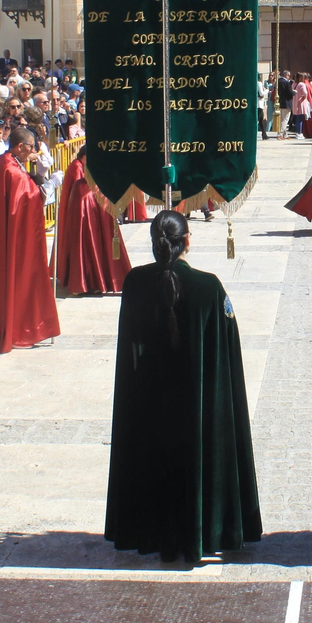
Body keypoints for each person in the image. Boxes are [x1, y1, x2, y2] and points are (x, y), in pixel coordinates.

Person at [105, 210, 261, 562]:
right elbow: (227, 357)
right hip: (198, 408)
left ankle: (152, 531)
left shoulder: (134, 283)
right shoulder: (209, 287)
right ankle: (203, 530)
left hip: (150, 407)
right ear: (187, 239)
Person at [0, 127, 60, 352]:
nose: (33, 151)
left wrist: (38, 175)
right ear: (19, 146)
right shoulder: (12, 170)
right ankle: (19, 328)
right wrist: (49, 184)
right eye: (31, 147)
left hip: (7, 232)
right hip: (16, 238)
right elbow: (26, 199)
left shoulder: (7, 162)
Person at [52, 145, 131, 295]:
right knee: (86, 243)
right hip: (83, 207)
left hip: (86, 204)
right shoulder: (82, 182)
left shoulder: (92, 188)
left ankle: (93, 279)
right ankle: (88, 280)